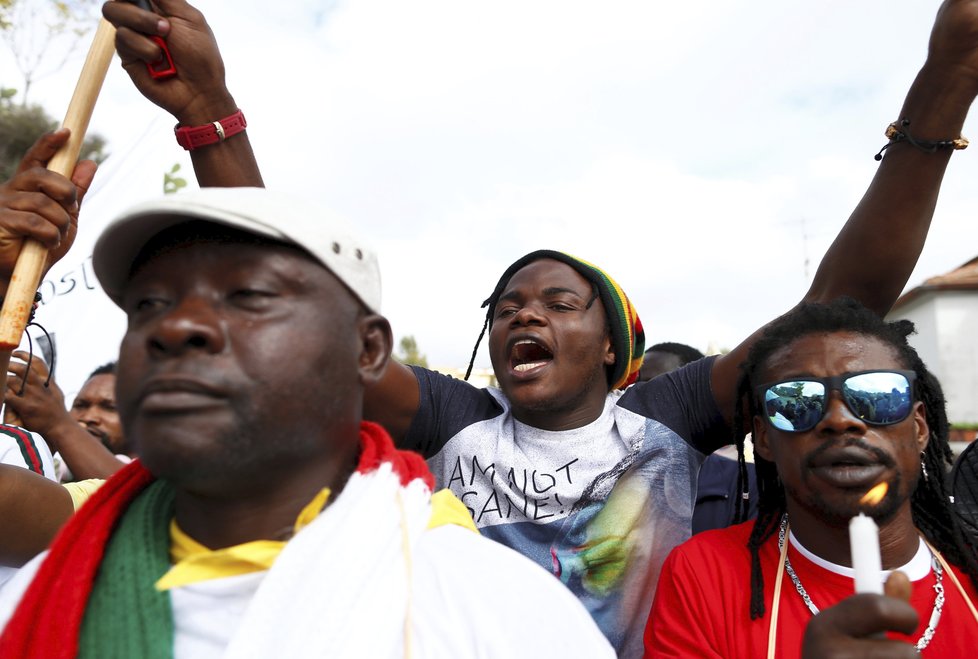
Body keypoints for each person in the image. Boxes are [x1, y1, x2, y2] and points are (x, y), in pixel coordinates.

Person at [100, 0, 978, 653]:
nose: (526, 309)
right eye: (508, 304)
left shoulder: (664, 420)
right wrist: (210, 115)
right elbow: (303, 307)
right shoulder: (457, 422)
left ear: (611, 346)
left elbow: (841, 300)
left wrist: (943, 89)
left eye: (561, 302)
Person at [0, 186, 614, 657]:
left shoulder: (499, 615)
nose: (175, 326)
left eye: (249, 297)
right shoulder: (42, 590)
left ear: (367, 351)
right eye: (148, 305)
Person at [644, 298, 978, 658]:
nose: (839, 419)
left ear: (919, 428)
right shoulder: (704, 575)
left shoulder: (971, 569)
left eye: (877, 396)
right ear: (765, 438)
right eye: (794, 402)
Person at [637, 341, 758, 534]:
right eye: (635, 386)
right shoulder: (608, 476)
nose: (639, 397)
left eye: (657, 388)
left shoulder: (749, 485)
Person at [5, 357, 130, 481]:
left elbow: (128, 494)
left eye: (109, 407)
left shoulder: (147, 480)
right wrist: (24, 447)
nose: (88, 417)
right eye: (80, 405)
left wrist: (57, 424)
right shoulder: (57, 469)